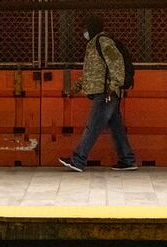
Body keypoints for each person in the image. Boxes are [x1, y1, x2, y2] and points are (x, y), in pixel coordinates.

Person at [58, 15, 138, 172]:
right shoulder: (94, 44)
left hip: (106, 93)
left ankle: (78, 160)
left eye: (86, 29)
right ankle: (128, 160)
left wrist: (114, 86)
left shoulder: (103, 41)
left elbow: (117, 64)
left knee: (93, 126)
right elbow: (92, 73)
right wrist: (75, 88)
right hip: (104, 92)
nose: (84, 32)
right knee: (116, 128)